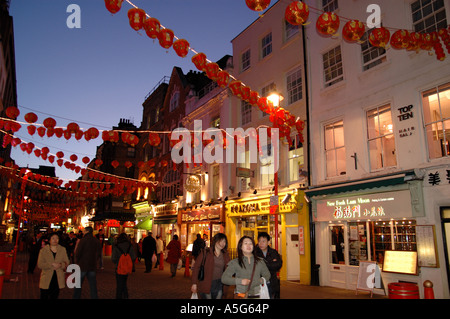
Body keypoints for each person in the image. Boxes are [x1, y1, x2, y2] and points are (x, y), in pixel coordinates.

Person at [191, 233, 230, 299]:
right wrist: (194, 283)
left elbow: (229, 268)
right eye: (220, 240)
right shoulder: (206, 252)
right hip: (206, 282)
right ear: (215, 241)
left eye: (224, 241)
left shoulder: (225, 255)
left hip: (220, 283)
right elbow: (196, 267)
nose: (222, 243)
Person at [37, 232, 70, 299]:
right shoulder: (43, 251)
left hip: (58, 278)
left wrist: (60, 265)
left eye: (57, 238)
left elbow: (67, 262)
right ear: (49, 240)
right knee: (44, 295)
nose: (55, 240)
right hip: (46, 277)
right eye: (53, 238)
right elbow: (40, 264)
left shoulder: (62, 249)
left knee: (55, 296)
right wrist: (51, 265)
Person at [73, 226, 102, 299]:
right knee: (93, 285)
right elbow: (99, 253)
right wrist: (95, 260)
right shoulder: (96, 240)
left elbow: (78, 252)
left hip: (82, 265)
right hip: (92, 265)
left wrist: (77, 261)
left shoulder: (83, 240)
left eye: (83, 230)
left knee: (78, 284)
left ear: (87, 231)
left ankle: (76, 297)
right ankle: (94, 297)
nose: (82, 231)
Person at [255, 232, 282, 299]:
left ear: (268, 242)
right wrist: (271, 263)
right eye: (259, 241)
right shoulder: (255, 253)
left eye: (263, 241)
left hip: (271, 282)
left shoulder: (273, 252)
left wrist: (264, 264)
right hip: (259, 283)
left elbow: (278, 265)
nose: (261, 244)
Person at [111, 233, 137, 299]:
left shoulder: (116, 246)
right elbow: (133, 257)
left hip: (119, 267)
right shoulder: (129, 246)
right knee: (124, 282)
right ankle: (125, 296)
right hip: (127, 268)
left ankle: (119, 296)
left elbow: (113, 258)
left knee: (119, 284)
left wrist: (118, 262)